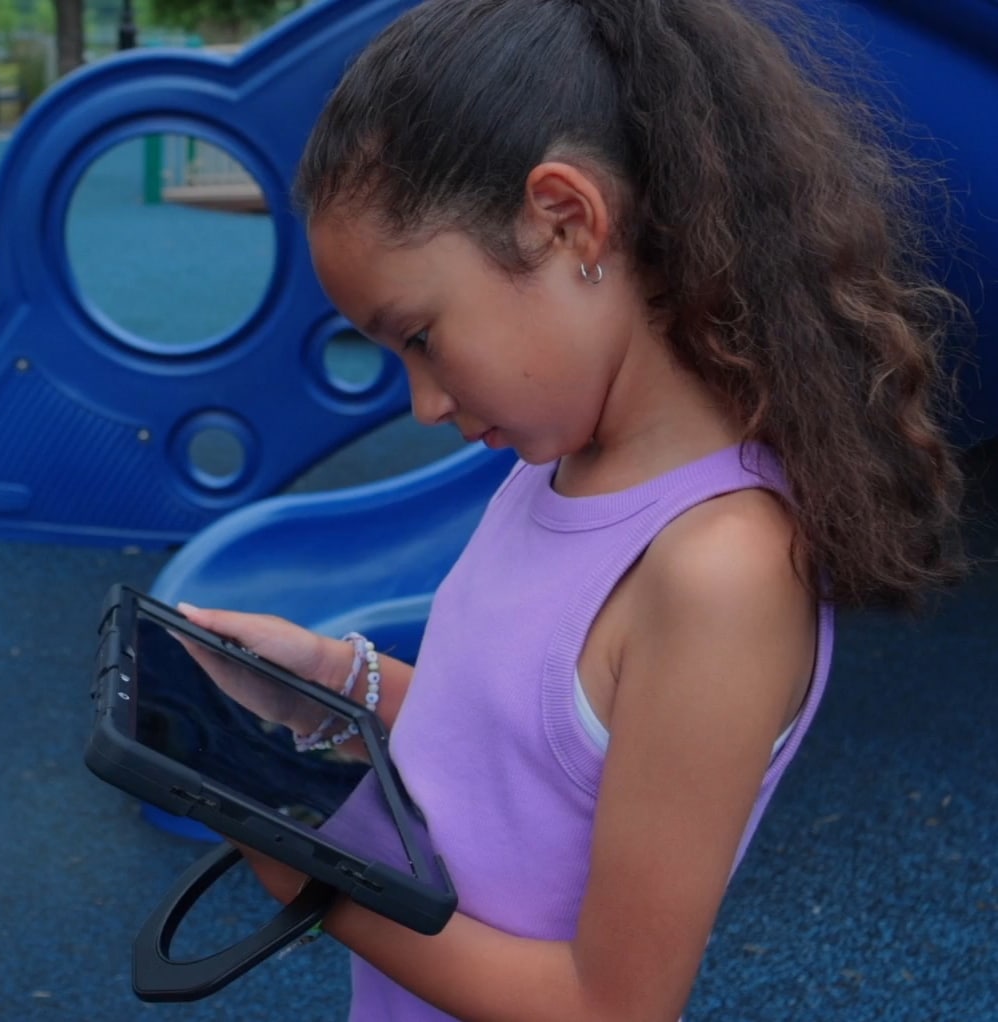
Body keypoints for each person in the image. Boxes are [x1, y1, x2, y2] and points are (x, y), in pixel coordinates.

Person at [178, 0, 966, 1018]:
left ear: (565, 221)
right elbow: (519, 756)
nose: (422, 403)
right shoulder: (551, 466)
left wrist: (315, 883)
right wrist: (335, 681)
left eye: (419, 336)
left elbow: (612, 1005)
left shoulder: (719, 573)